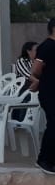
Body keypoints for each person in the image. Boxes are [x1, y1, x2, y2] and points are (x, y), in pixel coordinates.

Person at [32, 18, 55, 175]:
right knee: (53, 125)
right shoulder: (46, 46)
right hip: (49, 92)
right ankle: (43, 160)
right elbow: (36, 70)